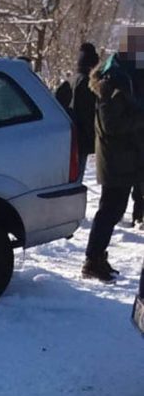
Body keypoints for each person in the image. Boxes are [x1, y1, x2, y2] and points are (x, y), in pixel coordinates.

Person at [82, 27, 144, 281]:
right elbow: (111, 124)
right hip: (116, 158)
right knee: (110, 210)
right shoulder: (112, 80)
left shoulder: (129, 77)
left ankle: (96, 257)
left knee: (114, 210)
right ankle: (92, 260)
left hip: (127, 156)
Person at [71, 42, 100, 181]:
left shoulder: (71, 81)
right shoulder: (86, 84)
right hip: (81, 139)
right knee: (77, 178)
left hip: (68, 137)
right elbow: (88, 114)